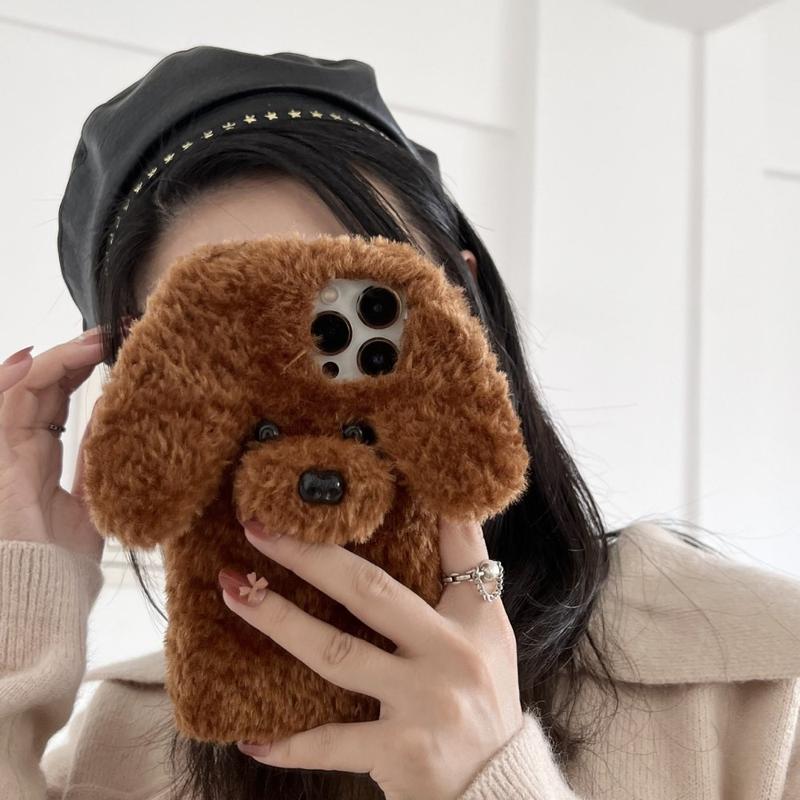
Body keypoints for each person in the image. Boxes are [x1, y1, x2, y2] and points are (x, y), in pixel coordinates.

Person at [2, 46, 800, 800]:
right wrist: (22, 602)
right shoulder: (123, 742)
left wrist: (489, 775)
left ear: (463, 306)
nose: (312, 385)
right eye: (235, 341)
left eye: (351, 316)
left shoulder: (759, 688)